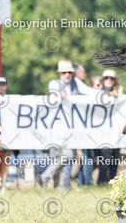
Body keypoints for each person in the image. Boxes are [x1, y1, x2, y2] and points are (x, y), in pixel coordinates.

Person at [39, 60, 97, 190]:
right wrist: (58, 95)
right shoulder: (54, 83)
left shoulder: (76, 83)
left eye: (69, 72)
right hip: (55, 125)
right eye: (64, 72)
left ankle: (46, 176)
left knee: (70, 155)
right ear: (59, 73)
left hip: (71, 127)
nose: (67, 75)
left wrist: (105, 94)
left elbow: (90, 92)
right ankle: (54, 183)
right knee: (56, 156)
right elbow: (53, 94)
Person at [97, 69, 122, 185]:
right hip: (103, 131)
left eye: (111, 79)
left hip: (115, 131)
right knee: (105, 158)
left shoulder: (117, 94)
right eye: (106, 78)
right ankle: (102, 182)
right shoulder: (98, 92)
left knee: (115, 158)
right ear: (103, 80)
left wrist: (120, 93)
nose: (109, 80)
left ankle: (112, 181)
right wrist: (108, 94)